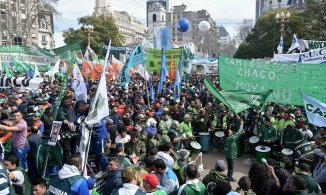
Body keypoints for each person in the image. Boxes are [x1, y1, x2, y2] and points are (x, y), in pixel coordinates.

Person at [224, 116, 243, 182]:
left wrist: (229, 126)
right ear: (229, 134)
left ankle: (230, 177)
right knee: (231, 169)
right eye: (230, 131)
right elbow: (239, 132)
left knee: (230, 167)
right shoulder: (231, 138)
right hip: (231, 155)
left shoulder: (226, 138)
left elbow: (229, 130)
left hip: (227, 155)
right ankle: (228, 182)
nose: (231, 131)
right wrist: (241, 124)